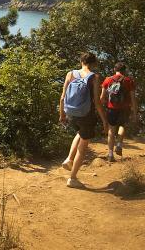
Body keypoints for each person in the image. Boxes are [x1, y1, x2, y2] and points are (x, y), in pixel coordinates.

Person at [59, 52, 108, 188]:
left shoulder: (70, 74)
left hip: (70, 112)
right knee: (83, 145)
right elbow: (97, 102)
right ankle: (73, 178)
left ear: (81, 61)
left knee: (80, 133)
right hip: (86, 114)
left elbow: (62, 97)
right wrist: (104, 120)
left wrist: (62, 115)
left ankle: (69, 159)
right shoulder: (95, 77)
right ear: (94, 63)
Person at [100, 62, 138, 162]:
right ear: (124, 70)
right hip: (125, 109)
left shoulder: (108, 80)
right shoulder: (129, 80)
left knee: (111, 130)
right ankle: (119, 145)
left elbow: (102, 98)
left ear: (114, 69)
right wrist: (134, 112)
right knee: (122, 126)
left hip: (111, 108)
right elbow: (133, 98)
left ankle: (110, 155)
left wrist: (103, 108)